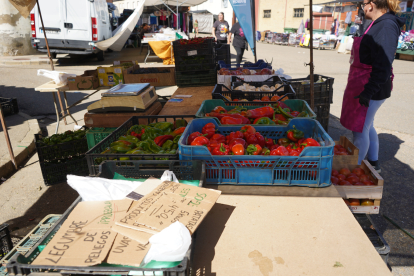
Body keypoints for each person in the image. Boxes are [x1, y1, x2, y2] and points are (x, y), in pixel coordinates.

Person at [340, 0, 404, 172]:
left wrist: (368, 91)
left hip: (371, 86)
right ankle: (374, 163)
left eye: (363, 3)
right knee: (367, 125)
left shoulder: (386, 26)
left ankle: (353, 172)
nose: (362, 7)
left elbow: (383, 64)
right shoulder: (376, 23)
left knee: (360, 129)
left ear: (371, 4)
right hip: (364, 83)